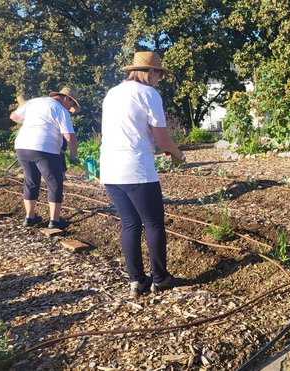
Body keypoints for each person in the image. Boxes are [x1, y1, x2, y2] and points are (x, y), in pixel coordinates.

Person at [100, 51, 186, 297]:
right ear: (149, 72)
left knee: (129, 224)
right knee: (154, 223)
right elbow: (162, 139)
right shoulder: (149, 93)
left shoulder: (112, 93)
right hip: (136, 168)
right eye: (159, 73)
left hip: (110, 167)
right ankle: (160, 278)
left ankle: (137, 281)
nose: (160, 78)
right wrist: (178, 154)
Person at [10, 87, 81, 229]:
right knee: (54, 183)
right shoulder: (60, 109)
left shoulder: (34, 102)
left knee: (31, 181)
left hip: (22, 146)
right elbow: (69, 136)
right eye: (72, 105)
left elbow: (14, 117)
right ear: (66, 98)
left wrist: (33, 123)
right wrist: (74, 156)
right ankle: (54, 221)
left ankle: (30, 217)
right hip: (44, 149)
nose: (71, 108)